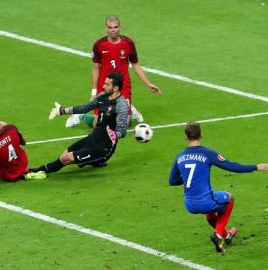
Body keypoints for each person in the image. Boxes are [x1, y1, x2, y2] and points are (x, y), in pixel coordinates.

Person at [169, 121, 268, 253]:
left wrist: (187, 178)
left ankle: (226, 235)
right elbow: (231, 166)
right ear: (201, 134)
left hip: (189, 205)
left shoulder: (179, 156)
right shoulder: (207, 153)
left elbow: (172, 181)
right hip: (206, 202)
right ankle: (218, 235)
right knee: (229, 198)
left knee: (211, 210)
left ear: (185, 137)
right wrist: (255, 167)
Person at [65, 15, 161, 128]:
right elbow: (96, 68)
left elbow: (135, 64)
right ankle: (80, 116)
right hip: (105, 86)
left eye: (115, 27)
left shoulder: (128, 43)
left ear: (120, 27)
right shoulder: (98, 45)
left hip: (123, 85)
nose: (113, 30)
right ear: (106, 28)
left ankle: (130, 110)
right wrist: (94, 92)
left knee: (124, 124)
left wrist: (148, 84)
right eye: (110, 27)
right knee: (99, 125)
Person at [31, 72, 128, 174]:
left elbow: (122, 130)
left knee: (66, 159)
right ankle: (95, 162)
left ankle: (38, 171)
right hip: (93, 137)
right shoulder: (102, 96)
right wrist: (62, 111)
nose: (103, 86)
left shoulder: (121, 105)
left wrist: (115, 135)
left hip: (103, 147)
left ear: (116, 88)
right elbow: (85, 108)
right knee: (64, 154)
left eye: (107, 85)